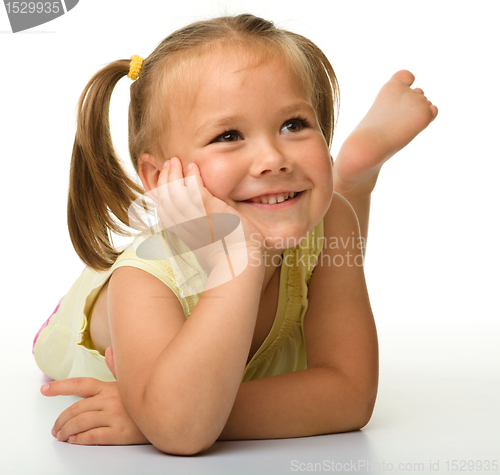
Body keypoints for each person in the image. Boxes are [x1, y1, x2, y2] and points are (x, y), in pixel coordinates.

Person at [33, 14, 438, 455]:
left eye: (294, 125)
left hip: (276, 255)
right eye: (228, 135)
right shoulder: (144, 279)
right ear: (159, 175)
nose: (272, 158)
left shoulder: (331, 220)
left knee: (331, 219)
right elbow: (184, 432)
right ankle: (351, 179)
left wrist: (160, 413)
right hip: (84, 321)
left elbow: (350, 396)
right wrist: (236, 260)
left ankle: (352, 181)